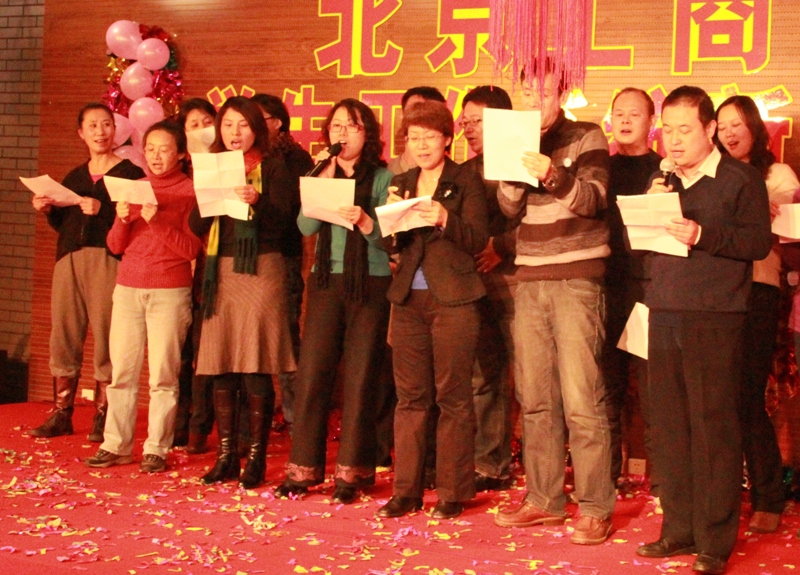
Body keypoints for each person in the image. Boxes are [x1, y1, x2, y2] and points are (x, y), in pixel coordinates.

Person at [635, 86, 771, 575]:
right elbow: (640, 245)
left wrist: (702, 234)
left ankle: (714, 539)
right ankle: (679, 528)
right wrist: (649, 208)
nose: (673, 140)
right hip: (664, 309)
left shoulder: (740, 178)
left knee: (713, 426)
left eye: (684, 130)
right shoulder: (663, 178)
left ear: (710, 129)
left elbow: (757, 243)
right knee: (670, 426)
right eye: (667, 130)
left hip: (715, 314)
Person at [493, 66, 615, 546]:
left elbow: (593, 199)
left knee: (583, 399)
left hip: (577, 278)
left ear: (561, 93)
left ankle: (595, 507)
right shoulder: (516, 135)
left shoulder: (586, 135)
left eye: (543, 91)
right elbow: (507, 209)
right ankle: (544, 499)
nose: (534, 99)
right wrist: (513, 172)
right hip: (529, 278)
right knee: (535, 397)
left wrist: (551, 172)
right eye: (527, 91)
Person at [273, 99, 392, 504]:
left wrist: (364, 220)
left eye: (352, 126)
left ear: (367, 133)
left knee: (360, 377)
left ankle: (351, 474)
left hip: (370, 282)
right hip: (326, 280)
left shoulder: (383, 176)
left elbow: (388, 238)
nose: (343, 133)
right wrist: (321, 181)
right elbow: (306, 226)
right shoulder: (320, 170)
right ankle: (303, 470)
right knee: (313, 373)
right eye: (336, 126)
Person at [375, 101, 488, 520]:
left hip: (454, 300)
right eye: (414, 138)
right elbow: (389, 246)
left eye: (430, 137)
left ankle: (451, 492)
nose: (421, 145)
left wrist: (444, 217)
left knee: (453, 397)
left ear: (447, 139)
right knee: (410, 399)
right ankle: (405, 491)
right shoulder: (401, 181)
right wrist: (390, 221)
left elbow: (477, 238)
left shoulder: (466, 179)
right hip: (409, 300)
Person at [189, 96, 297, 489]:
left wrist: (258, 201)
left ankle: (256, 459)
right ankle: (225, 457)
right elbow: (195, 223)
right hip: (221, 269)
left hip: (261, 269)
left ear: (257, 129)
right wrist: (207, 197)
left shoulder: (274, 166)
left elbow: (287, 224)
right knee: (221, 365)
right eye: (228, 125)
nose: (235, 133)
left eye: (243, 125)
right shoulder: (213, 166)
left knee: (254, 364)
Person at [84, 120, 201, 472]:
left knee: (163, 376)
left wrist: (157, 221)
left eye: (164, 149)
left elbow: (191, 250)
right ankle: (115, 444)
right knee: (122, 372)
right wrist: (122, 219)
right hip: (128, 288)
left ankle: (156, 448)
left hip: (169, 290)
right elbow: (115, 246)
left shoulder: (190, 191)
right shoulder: (135, 187)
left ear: (181, 154)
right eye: (150, 149)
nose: (155, 156)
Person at [28, 103, 144, 442]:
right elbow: (65, 222)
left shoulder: (129, 173)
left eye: (106, 124)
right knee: (64, 333)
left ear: (115, 130)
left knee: (108, 333)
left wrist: (103, 209)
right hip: (68, 259)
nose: (100, 132)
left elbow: (138, 220)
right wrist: (48, 209)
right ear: (81, 133)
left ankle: (104, 414)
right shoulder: (75, 176)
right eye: (92, 126)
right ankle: (62, 411)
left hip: (107, 259)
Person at [715, 95, 798, 534]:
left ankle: (768, 496)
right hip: (713, 294)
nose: (729, 133)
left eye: (737, 124)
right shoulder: (711, 174)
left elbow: (781, 226)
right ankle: (725, 493)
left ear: (754, 127)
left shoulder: (776, 175)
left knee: (747, 396)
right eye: (722, 125)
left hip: (758, 290)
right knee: (719, 399)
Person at [459, 85, 519, 492]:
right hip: (478, 285)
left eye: (477, 121)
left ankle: (543, 461)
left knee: (530, 380)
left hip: (518, 283)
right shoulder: (465, 171)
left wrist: (502, 246)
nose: (468, 129)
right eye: (465, 122)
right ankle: (490, 463)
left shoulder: (521, 165)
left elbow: (537, 220)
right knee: (485, 377)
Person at [603, 88, 662, 489]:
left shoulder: (664, 172)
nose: (625, 121)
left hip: (646, 291)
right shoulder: (600, 170)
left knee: (652, 392)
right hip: (604, 288)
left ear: (651, 122)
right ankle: (603, 478)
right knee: (606, 389)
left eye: (634, 114)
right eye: (619, 113)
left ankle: (662, 485)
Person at [251, 93, 313, 433]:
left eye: (258, 119)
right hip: (248, 256)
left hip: (283, 254)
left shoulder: (296, 159)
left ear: (277, 122)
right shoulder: (244, 158)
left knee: (286, 334)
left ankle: (295, 411)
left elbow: (294, 210)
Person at [174, 98, 218, 453]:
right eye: (194, 124)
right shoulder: (175, 172)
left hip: (208, 267)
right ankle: (176, 422)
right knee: (178, 352)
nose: (202, 130)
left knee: (204, 350)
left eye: (208, 122)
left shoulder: (223, 168)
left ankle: (199, 425)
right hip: (174, 268)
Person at [387, 86, 447, 176]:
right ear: (402, 116)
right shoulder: (386, 173)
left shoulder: (457, 176)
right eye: (413, 110)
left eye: (429, 113)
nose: (420, 117)